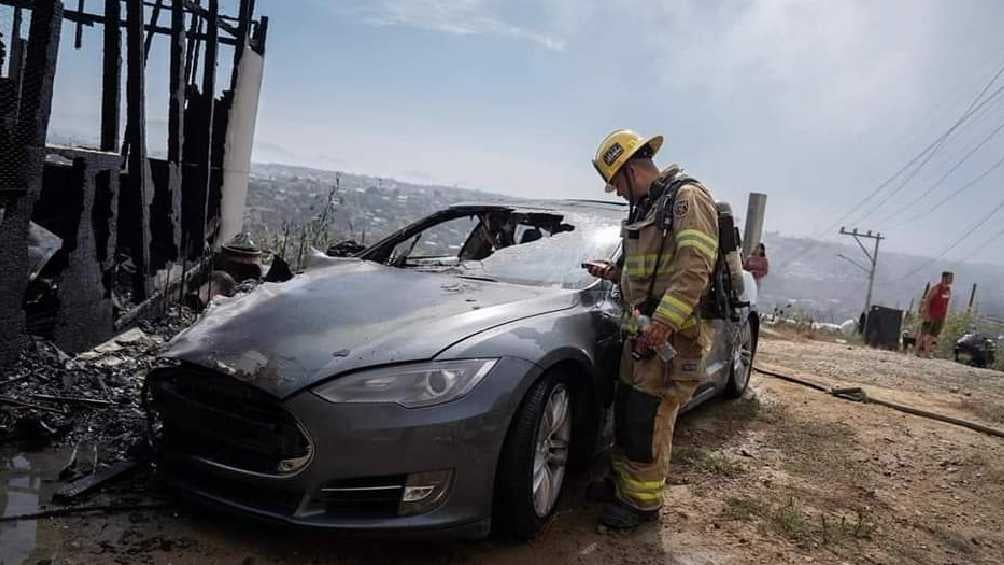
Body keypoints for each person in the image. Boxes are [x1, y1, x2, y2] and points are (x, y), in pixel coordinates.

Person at [584, 129, 719, 532]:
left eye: (616, 184)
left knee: (649, 421)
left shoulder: (686, 200)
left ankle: (642, 505)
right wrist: (612, 273)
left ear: (628, 169)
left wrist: (662, 324)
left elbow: (695, 270)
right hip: (640, 337)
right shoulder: (647, 207)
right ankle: (622, 485)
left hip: (670, 340)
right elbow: (648, 275)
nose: (618, 193)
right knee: (627, 412)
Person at [917, 271, 953, 358]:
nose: (951, 280)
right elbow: (927, 300)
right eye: (950, 278)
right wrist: (926, 313)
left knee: (933, 335)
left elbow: (946, 303)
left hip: (940, 316)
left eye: (952, 278)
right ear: (944, 278)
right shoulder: (936, 288)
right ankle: (917, 350)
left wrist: (945, 316)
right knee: (924, 333)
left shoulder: (948, 290)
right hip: (931, 314)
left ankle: (926, 352)